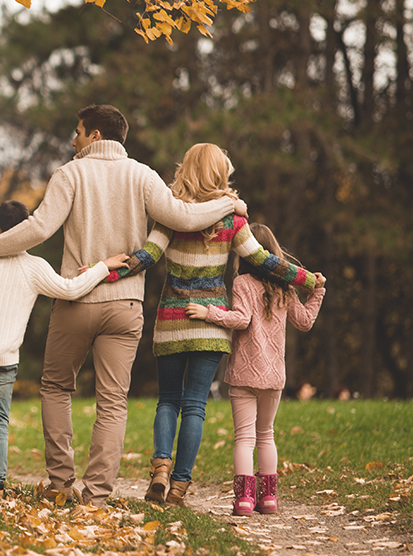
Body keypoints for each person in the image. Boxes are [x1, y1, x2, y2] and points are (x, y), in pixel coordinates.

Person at [0, 105, 247, 508]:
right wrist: (229, 205)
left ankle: (61, 484)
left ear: (95, 135)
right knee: (113, 400)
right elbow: (182, 216)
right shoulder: (143, 175)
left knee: (56, 388)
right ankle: (97, 496)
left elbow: (39, 228)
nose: (73, 140)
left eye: (77, 132)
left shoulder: (69, 174)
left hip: (76, 299)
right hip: (125, 304)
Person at [104, 144, 319, 507]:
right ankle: (179, 487)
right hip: (211, 324)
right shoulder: (233, 222)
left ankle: (160, 466)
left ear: (185, 170)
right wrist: (307, 280)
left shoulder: (169, 216)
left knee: (167, 401)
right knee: (195, 405)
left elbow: (147, 257)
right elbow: (265, 261)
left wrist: (104, 272)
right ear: (220, 175)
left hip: (173, 317)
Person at [0, 199, 130, 501]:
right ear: (27, 231)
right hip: (2, 356)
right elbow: (71, 289)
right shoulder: (33, 267)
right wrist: (102, 268)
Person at [183, 222, 326, 516]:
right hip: (274, 376)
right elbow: (306, 322)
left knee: (244, 438)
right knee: (266, 434)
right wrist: (318, 292)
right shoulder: (285, 287)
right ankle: (269, 499)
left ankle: (245, 500)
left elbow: (242, 319)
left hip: (244, 375)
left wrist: (208, 312)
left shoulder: (242, 283)